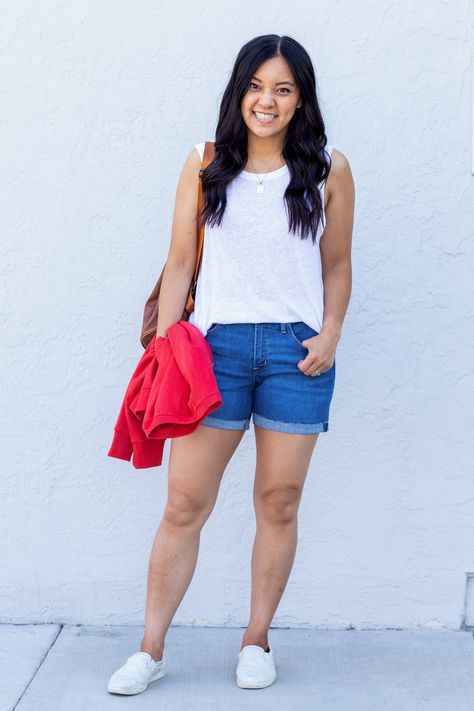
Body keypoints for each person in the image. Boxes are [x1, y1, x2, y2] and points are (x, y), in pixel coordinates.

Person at [107, 32, 354, 696]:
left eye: (282, 89)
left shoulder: (329, 169)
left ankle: (256, 638)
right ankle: (150, 647)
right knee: (185, 502)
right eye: (256, 86)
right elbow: (181, 261)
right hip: (211, 353)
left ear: (300, 100)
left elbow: (336, 265)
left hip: (294, 352)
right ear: (237, 90)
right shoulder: (205, 161)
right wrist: (168, 342)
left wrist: (330, 331)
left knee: (278, 500)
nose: (266, 101)